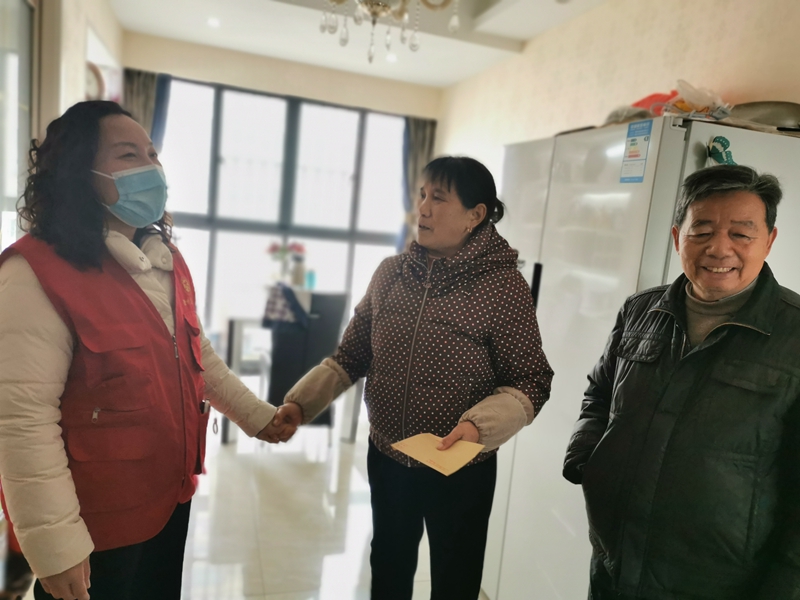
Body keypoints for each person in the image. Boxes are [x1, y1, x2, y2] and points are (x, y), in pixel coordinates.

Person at [0, 101, 288, 600]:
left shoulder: (164, 261)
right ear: (78, 172)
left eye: (153, 155)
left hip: (167, 501)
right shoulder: (34, 273)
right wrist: (55, 543)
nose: (151, 168)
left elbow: (198, 356)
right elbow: (22, 418)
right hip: (94, 526)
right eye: (128, 155)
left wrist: (257, 416)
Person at [272, 156, 554, 599]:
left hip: (461, 467)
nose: (422, 208)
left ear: (475, 215)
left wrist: (478, 428)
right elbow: (352, 354)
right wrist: (300, 403)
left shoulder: (502, 287)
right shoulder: (390, 273)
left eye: (438, 198)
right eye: (422, 195)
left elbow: (531, 380)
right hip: (388, 456)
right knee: (388, 564)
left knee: (455, 580)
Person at [563, 164, 800, 599]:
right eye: (702, 231)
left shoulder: (794, 334)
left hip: (720, 583)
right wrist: (587, 462)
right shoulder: (641, 311)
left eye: (741, 233)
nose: (719, 248)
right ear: (677, 238)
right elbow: (599, 393)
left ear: (769, 241)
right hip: (615, 562)